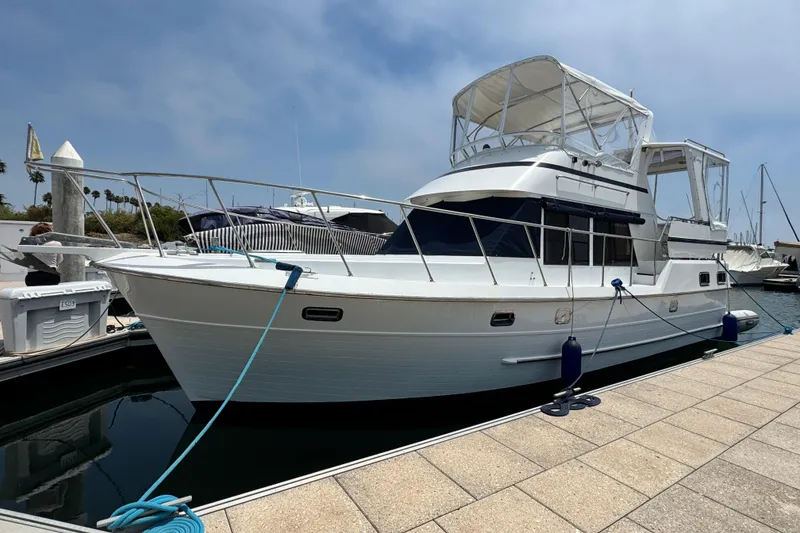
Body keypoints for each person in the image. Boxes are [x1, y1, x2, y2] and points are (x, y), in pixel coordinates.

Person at [24, 222, 62, 286]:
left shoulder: (27, 243)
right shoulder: (56, 243)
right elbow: (60, 259)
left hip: (31, 277)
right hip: (51, 276)